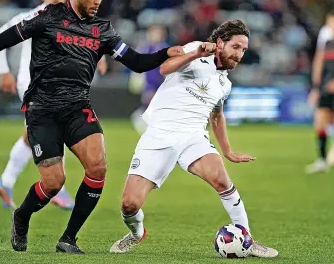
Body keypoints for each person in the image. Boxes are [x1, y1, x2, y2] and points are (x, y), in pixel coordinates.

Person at [0, 0, 184, 254]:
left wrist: (165, 53)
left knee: (98, 166)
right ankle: (22, 215)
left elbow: (138, 63)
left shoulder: (103, 30)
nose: (97, 1)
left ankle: (68, 238)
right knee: (54, 182)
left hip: (77, 107)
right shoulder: (48, 17)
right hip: (42, 109)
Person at [109, 20, 278, 258]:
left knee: (221, 180)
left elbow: (217, 116)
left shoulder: (224, 83)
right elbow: (164, 69)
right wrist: (196, 53)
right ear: (220, 43)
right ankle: (136, 233)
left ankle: (247, 239)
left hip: (193, 136)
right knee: (129, 205)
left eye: (243, 50)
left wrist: (227, 151)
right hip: (160, 134)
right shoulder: (196, 48)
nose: (240, 54)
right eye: (236, 47)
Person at [0, 0, 75, 211]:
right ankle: (57, 187)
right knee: (57, 128)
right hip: (32, 84)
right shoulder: (31, 17)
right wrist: (4, 71)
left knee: (32, 134)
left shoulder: (70, 19)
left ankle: (5, 182)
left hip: (56, 85)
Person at [306, 14, 334, 173]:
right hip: (325, 88)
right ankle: (322, 161)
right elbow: (321, 66)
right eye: (330, 24)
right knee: (320, 122)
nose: (332, 27)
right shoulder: (327, 44)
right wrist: (316, 88)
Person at [130, 25, 169, 134]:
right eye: (155, 33)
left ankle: (145, 121)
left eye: (160, 33)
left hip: (162, 82)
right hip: (150, 82)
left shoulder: (166, 48)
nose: (158, 36)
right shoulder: (145, 48)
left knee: (158, 106)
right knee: (150, 103)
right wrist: (136, 79)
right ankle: (140, 119)